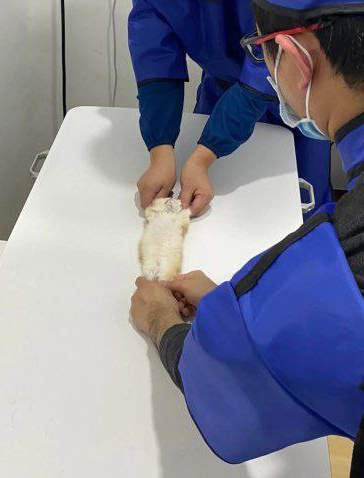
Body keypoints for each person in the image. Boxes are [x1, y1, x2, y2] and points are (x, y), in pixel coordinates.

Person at [130, 0, 364, 475]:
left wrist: (160, 321)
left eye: (263, 53)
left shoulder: (344, 262)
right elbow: (155, 52)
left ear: (296, 57)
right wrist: (162, 149)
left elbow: (227, 387)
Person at [128, 0, 332, 218]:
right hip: (220, 91)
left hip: (295, 94)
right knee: (213, 212)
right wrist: (161, 151)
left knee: (294, 209)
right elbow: (155, 53)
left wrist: (203, 156)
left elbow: (275, 54)